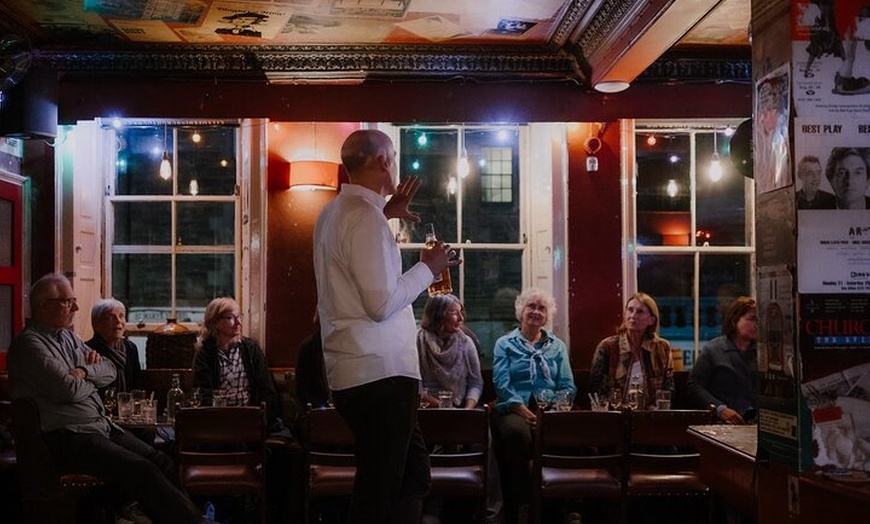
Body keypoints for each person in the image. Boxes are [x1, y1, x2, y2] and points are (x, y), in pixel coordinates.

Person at [313, 129, 456, 523]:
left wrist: (387, 212)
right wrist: (429, 269)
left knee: (412, 476)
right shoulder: (364, 219)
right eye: (393, 155)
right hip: (380, 376)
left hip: (357, 373)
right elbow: (379, 305)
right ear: (382, 161)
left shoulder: (334, 214)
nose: (395, 163)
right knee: (379, 490)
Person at [7, 273, 214, 524]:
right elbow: (67, 389)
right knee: (140, 468)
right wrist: (85, 378)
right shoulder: (29, 346)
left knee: (162, 460)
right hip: (66, 436)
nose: (76, 307)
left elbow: (109, 370)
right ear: (42, 305)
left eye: (74, 299)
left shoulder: (69, 337)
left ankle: (188, 519)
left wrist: (83, 371)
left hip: (100, 426)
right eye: (67, 301)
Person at [491, 288, 575, 524]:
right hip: (513, 408)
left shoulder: (557, 346)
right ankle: (521, 505)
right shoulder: (504, 343)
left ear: (547, 316)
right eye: (531, 306)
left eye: (541, 308)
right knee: (517, 434)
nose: (536, 312)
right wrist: (528, 414)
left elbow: (567, 385)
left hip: (550, 410)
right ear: (521, 311)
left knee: (567, 436)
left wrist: (552, 412)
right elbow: (502, 385)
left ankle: (558, 509)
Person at [192, 297, 283, 431]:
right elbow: (202, 394)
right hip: (217, 422)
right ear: (215, 322)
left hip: (251, 421)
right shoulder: (205, 355)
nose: (238, 322)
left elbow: (268, 393)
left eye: (239, 316)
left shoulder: (252, 351)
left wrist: (258, 419)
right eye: (230, 318)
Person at [588, 292, 675, 410]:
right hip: (615, 416)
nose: (633, 315)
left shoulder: (662, 348)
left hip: (651, 416)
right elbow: (596, 390)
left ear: (652, 320)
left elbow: (668, 388)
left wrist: (657, 409)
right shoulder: (607, 347)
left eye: (640, 312)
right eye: (630, 310)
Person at [687, 296, 758, 424]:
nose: (757, 325)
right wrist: (720, 409)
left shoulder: (763, 353)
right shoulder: (713, 349)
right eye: (752, 319)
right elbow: (694, 387)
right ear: (735, 320)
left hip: (756, 424)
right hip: (722, 423)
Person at [417, 294, 484, 409]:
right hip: (426, 409)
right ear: (438, 316)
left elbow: (476, 383)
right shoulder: (418, 342)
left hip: (460, 408)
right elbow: (415, 387)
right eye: (454, 313)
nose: (461, 318)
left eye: (460, 313)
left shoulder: (466, 343)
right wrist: (443, 406)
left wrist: (467, 411)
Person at [86, 298, 141, 393]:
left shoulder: (130, 347)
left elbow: (137, 384)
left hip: (126, 405)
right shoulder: (88, 350)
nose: (118, 321)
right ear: (97, 324)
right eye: (111, 317)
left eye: (121, 316)